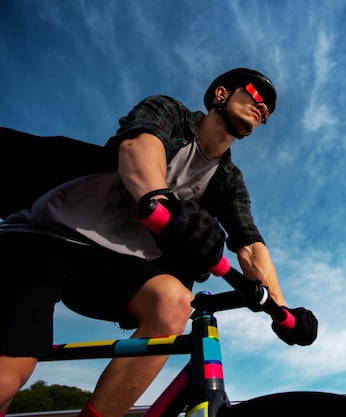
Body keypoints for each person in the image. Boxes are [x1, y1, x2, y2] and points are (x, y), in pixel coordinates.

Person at [0, 68, 318, 417]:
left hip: (109, 267)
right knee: (11, 372)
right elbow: (140, 146)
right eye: (257, 95)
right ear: (222, 94)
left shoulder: (229, 180)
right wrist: (163, 202)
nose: (263, 109)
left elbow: (249, 243)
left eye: (268, 111)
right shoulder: (170, 112)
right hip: (48, 235)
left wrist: (282, 310)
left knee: (174, 302)